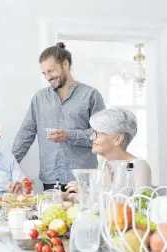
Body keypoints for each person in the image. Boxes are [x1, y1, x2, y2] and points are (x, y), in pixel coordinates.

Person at [12, 41, 105, 192]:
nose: (47, 77)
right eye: (44, 73)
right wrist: (8, 165)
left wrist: (69, 135)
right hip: (51, 179)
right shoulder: (39, 98)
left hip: (82, 180)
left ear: (65, 64)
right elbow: (26, 134)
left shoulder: (91, 95)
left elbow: (101, 135)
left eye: (51, 71)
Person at [65, 107, 152, 198]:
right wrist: (71, 196)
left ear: (118, 139)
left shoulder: (138, 166)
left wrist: (87, 192)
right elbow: (101, 203)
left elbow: (142, 207)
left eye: (98, 133)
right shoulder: (103, 164)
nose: (92, 137)